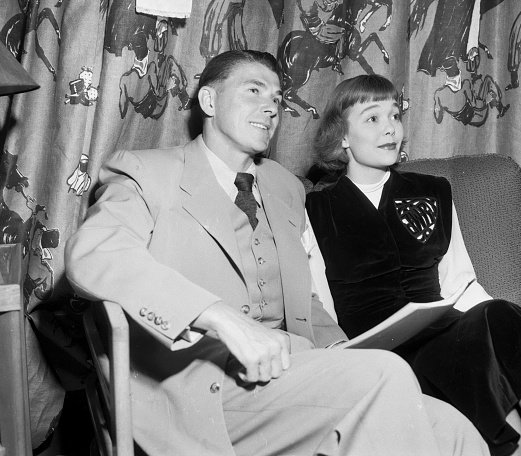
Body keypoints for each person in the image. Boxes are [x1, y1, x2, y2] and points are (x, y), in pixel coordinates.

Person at [65, 51, 490, 456]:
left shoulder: (286, 188)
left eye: (276, 98)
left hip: (288, 373)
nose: (270, 107)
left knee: (455, 430)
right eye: (253, 91)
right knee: (386, 375)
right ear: (209, 100)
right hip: (196, 388)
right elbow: (95, 255)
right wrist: (220, 317)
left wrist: (341, 350)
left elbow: (305, 296)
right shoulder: (146, 172)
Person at [305, 74, 521, 456]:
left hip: (445, 334)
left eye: (395, 115)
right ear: (342, 135)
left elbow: (461, 282)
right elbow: (316, 303)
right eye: (373, 118)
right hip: (377, 354)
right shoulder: (315, 209)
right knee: (490, 343)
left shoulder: (433, 190)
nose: (390, 128)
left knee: (497, 321)